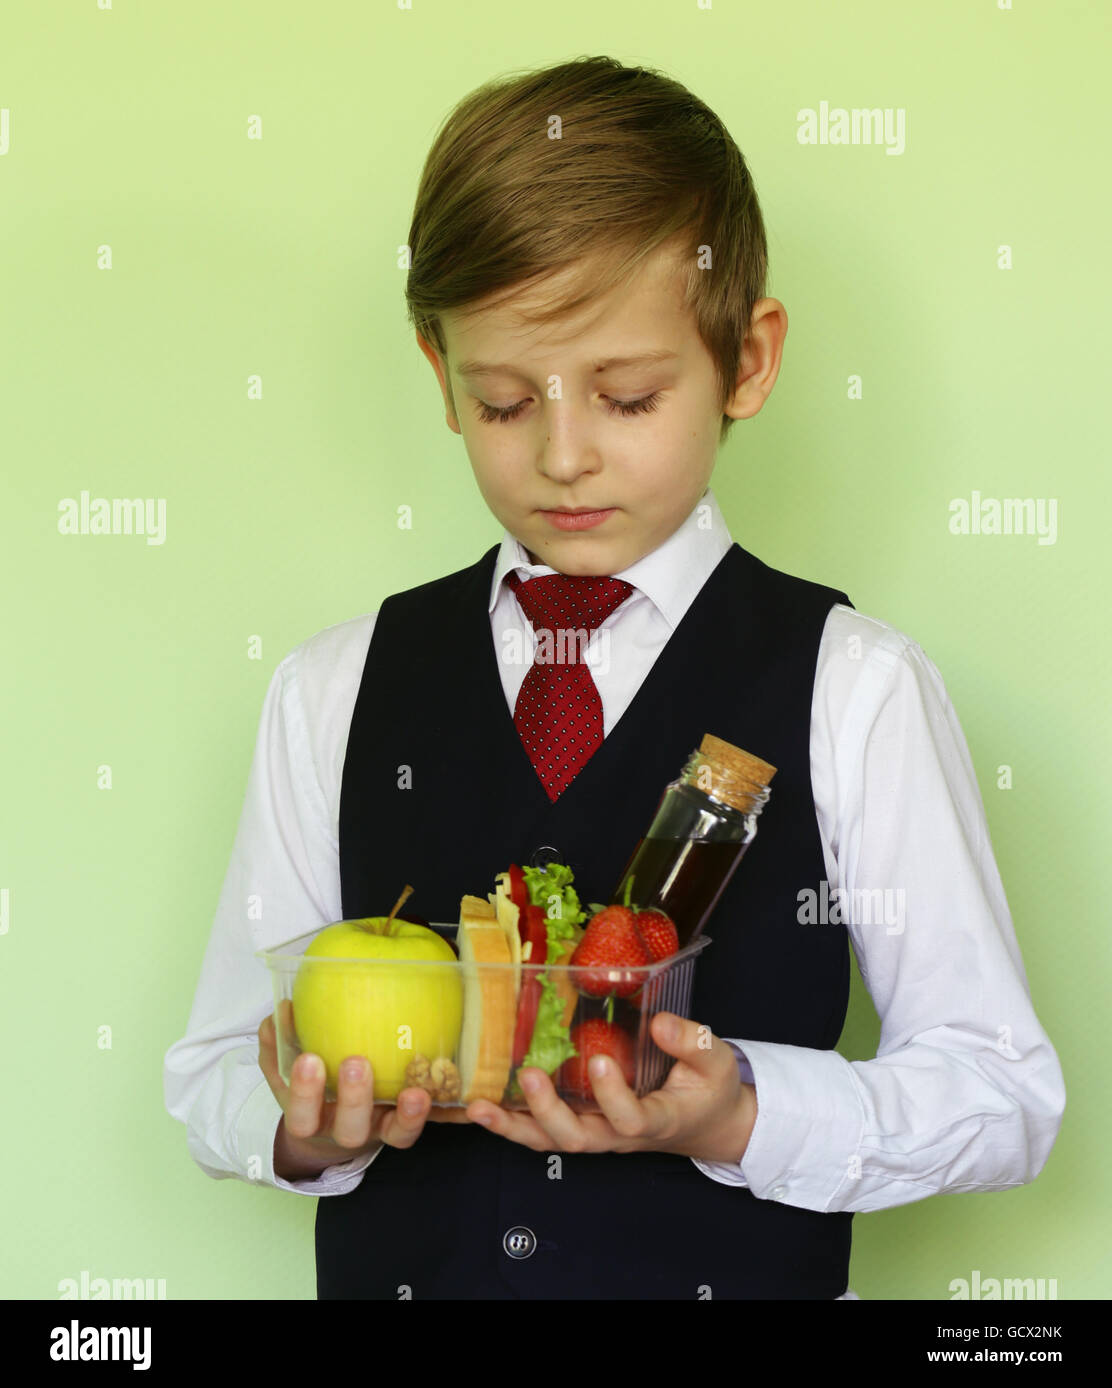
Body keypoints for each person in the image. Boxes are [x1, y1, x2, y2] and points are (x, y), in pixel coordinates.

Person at [164, 55, 1065, 1300]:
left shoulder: (854, 688)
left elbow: (1001, 1092)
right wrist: (303, 1130)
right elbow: (213, 1067)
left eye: (627, 395)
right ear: (439, 378)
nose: (562, 455)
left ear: (745, 363)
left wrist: (740, 1112)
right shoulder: (333, 685)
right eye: (500, 401)